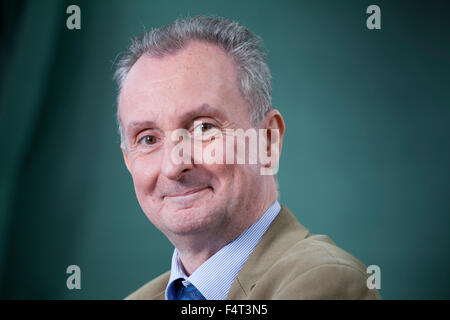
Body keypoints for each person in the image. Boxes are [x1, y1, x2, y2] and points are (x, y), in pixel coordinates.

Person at [113, 15, 381, 300]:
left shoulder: (324, 281)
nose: (173, 165)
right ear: (128, 160)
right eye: (148, 139)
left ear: (267, 140)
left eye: (204, 127)